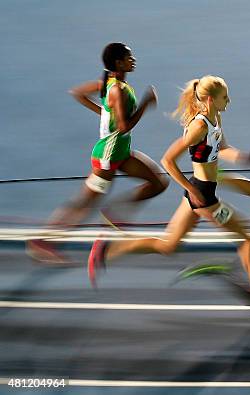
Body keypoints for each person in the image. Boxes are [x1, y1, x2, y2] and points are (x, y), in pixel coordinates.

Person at [88, 75, 250, 308]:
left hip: (199, 192)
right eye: (224, 97)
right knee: (246, 238)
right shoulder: (198, 126)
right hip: (203, 197)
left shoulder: (215, 118)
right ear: (209, 99)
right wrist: (189, 189)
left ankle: (107, 250)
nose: (229, 100)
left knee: (168, 246)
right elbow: (168, 160)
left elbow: (221, 147)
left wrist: (241, 156)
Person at [26, 43, 168, 263]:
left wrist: (104, 113)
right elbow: (122, 127)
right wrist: (145, 104)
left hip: (121, 154)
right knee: (84, 203)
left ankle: (113, 215)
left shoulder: (110, 84)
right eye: (129, 57)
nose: (133, 60)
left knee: (159, 181)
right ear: (119, 63)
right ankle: (42, 242)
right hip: (108, 159)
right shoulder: (116, 90)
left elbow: (78, 93)